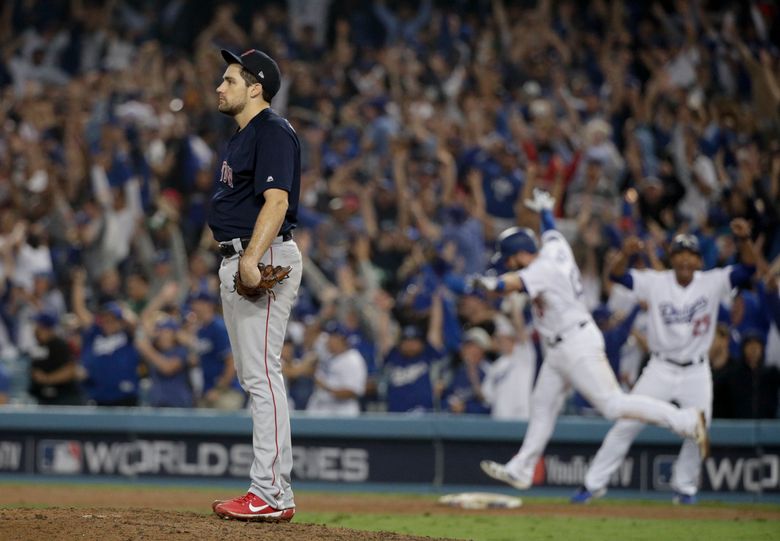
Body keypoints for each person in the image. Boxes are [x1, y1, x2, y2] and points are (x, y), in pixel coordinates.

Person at [473, 189, 708, 492]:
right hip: (559, 347)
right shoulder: (553, 248)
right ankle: (522, 468)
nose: (508, 264)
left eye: (509, 259)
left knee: (612, 405)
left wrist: (494, 283)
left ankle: (685, 421)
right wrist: (545, 210)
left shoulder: (542, 268)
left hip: (576, 343)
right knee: (543, 404)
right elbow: (552, 231)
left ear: (519, 254)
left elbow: (513, 282)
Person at [573, 219, 756, 505]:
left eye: (690, 254)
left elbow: (748, 270)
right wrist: (625, 253)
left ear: (698, 260)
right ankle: (592, 485)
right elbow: (619, 276)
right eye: (679, 253)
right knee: (626, 424)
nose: (685, 259)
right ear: (672, 259)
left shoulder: (712, 281)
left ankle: (684, 489)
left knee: (699, 430)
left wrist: (745, 241)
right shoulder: (656, 282)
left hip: (696, 369)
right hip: (660, 367)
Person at [207, 48, 302, 523]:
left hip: (259, 254)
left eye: (229, 79)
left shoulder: (271, 131)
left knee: (263, 377)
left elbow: (277, 201)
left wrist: (248, 259)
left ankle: (268, 491)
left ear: (255, 86)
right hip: (243, 253)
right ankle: (273, 492)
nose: (220, 87)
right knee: (256, 378)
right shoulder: (244, 135)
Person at [306, 321, 368, 416]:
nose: (328, 340)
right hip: (321, 411)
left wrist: (326, 388)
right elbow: (309, 337)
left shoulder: (353, 359)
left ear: (341, 339)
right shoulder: (326, 354)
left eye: (332, 337)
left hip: (342, 413)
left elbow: (353, 392)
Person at [28, 311, 84, 405]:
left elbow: (70, 370)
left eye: (38, 325)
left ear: (45, 327)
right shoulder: (39, 345)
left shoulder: (59, 345)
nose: (35, 328)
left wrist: (47, 378)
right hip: (43, 398)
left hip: (63, 398)